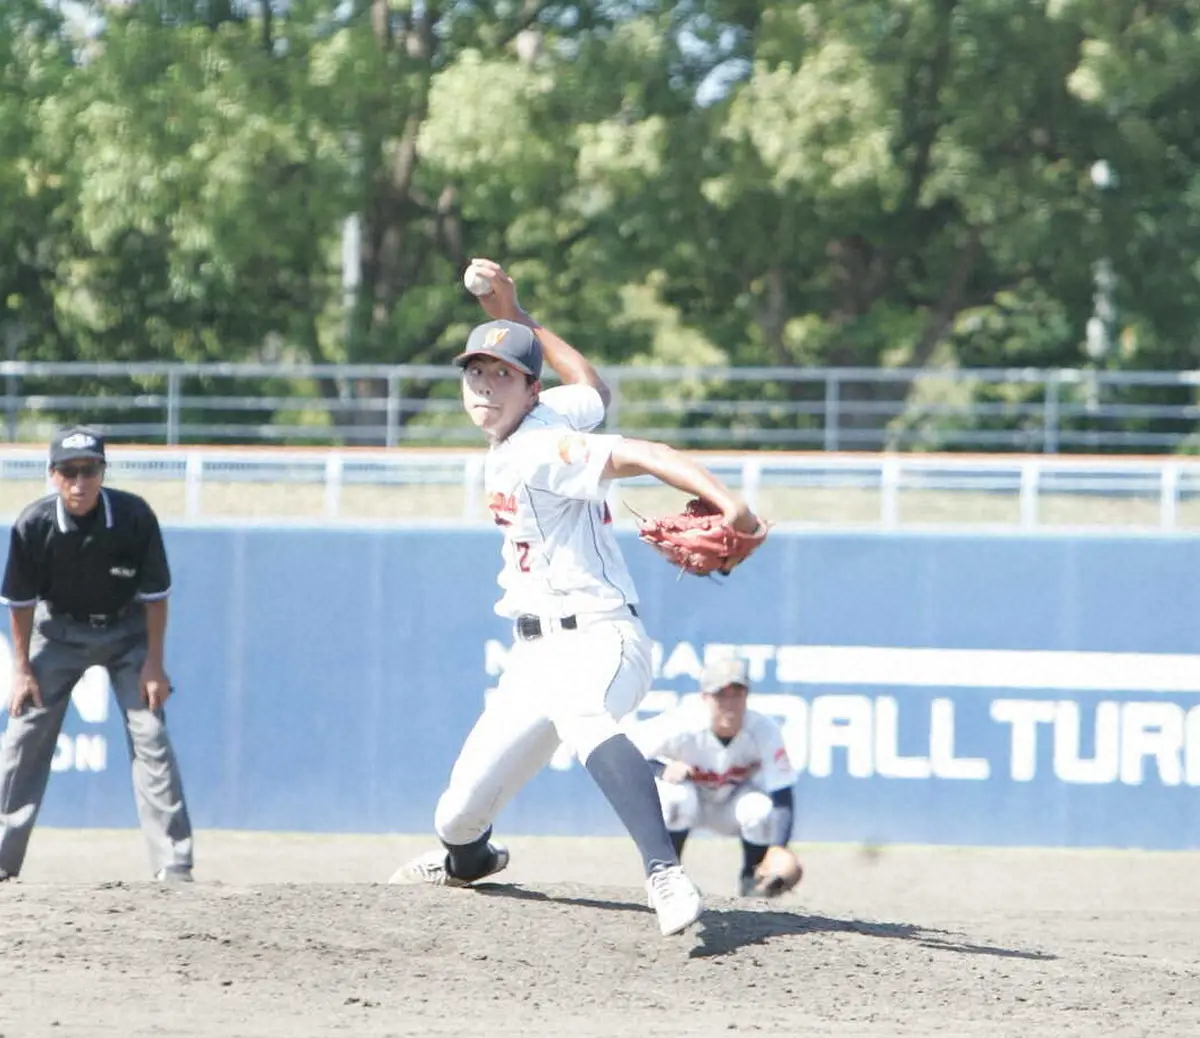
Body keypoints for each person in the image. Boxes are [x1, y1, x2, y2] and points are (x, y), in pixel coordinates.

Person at [390, 258, 766, 937]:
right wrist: (517, 309)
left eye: (502, 374)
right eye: (475, 372)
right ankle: (470, 860)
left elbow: (646, 451)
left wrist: (728, 503)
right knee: (456, 818)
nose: (484, 385)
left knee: (587, 716)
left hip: (600, 636)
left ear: (529, 390)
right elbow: (590, 385)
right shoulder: (550, 409)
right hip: (532, 659)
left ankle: (664, 873)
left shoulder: (540, 448)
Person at [0, 426, 194, 882]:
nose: (80, 482)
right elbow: (21, 605)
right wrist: (22, 669)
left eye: (89, 470)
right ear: (52, 475)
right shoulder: (34, 525)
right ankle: (2, 860)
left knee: (151, 735)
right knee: (23, 734)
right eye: (69, 471)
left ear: (102, 473)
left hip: (126, 630)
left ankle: (174, 864)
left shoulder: (132, 517)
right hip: (59, 630)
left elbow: (156, 597)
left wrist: (153, 665)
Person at [631, 657, 799, 898]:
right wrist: (660, 769)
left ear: (747, 695)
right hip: (690, 802)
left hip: (730, 805)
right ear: (705, 697)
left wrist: (778, 847)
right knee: (676, 796)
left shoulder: (763, 730)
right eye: (721, 695)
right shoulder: (682, 723)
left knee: (761, 811)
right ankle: (670, 876)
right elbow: (628, 753)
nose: (729, 703)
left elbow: (782, 792)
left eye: (737, 694)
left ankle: (752, 885)